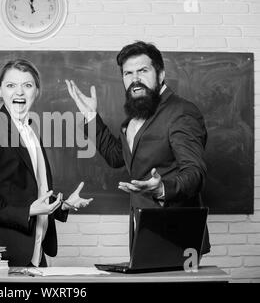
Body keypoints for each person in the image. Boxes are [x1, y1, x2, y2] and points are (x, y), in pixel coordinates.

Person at [65, 41, 210, 257]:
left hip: (177, 235)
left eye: (143, 71)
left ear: (160, 75)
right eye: (128, 73)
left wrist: (163, 189)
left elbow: (195, 173)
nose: (135, 79)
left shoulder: (181, 113)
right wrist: (91, 117)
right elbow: (116, 157)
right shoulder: (136, 117)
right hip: (143, 231)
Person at [0, 59, 93, 267]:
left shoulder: (31, 132)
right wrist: (27, 211)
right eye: (11, 85)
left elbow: (32, 192)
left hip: (36, 253)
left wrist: (63, 205)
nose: (19, 92)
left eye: (27, 85)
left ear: (37, 91)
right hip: (5, 257)